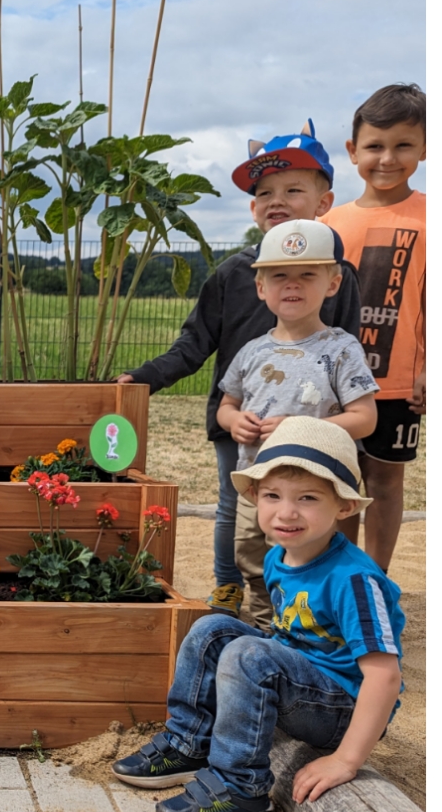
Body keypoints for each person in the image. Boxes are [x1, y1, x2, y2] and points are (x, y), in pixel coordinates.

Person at [112, 419, 403, 812]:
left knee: (249, 655)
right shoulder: (279, 556)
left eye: (307, 498)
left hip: (343, 707)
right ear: (254, 497)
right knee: (214, 627)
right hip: (304, 681)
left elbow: (384, 675)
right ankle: (190, 743)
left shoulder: (353, 580)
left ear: (345, 507)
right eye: (272, 495)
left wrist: (346, 759)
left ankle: (242, 793)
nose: (286, 512)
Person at [118, 126, 362, 613]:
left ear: (323, 200)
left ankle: (305, 595)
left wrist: (330, 423)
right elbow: (195, 342)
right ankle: (230, 585)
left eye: (294, 189)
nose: (278, 200)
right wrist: (144, 378)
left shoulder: (337, 274)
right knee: (237, 505)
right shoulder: (234, 274)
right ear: (252, 209)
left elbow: (349, 348)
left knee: (302, 505)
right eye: (265, 193)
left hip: (310, 427)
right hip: (242, 421)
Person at [216, 220, 379, 627]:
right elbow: (227, 404)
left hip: (310, 489)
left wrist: (301, 429)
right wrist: (234, 420)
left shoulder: (341, 349)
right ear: (261, 288)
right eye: (279, 276)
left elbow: (365, 419)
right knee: (251, 557)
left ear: (333, 283)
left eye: (308, 274)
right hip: (258, 484)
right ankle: (259, 624)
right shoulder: (252, 350)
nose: (293, 284)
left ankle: (299, 631)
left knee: (299, 559)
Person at [329, 84, 425, 573]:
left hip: (398, 385)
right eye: (374, 146)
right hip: (333, 386)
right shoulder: (329, 223)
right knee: (337, 485)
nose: (388, 158)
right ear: (352, 152)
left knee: (385, 486)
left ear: (425, 147)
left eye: (404, 145)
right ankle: (340, 580)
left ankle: (376, 580)